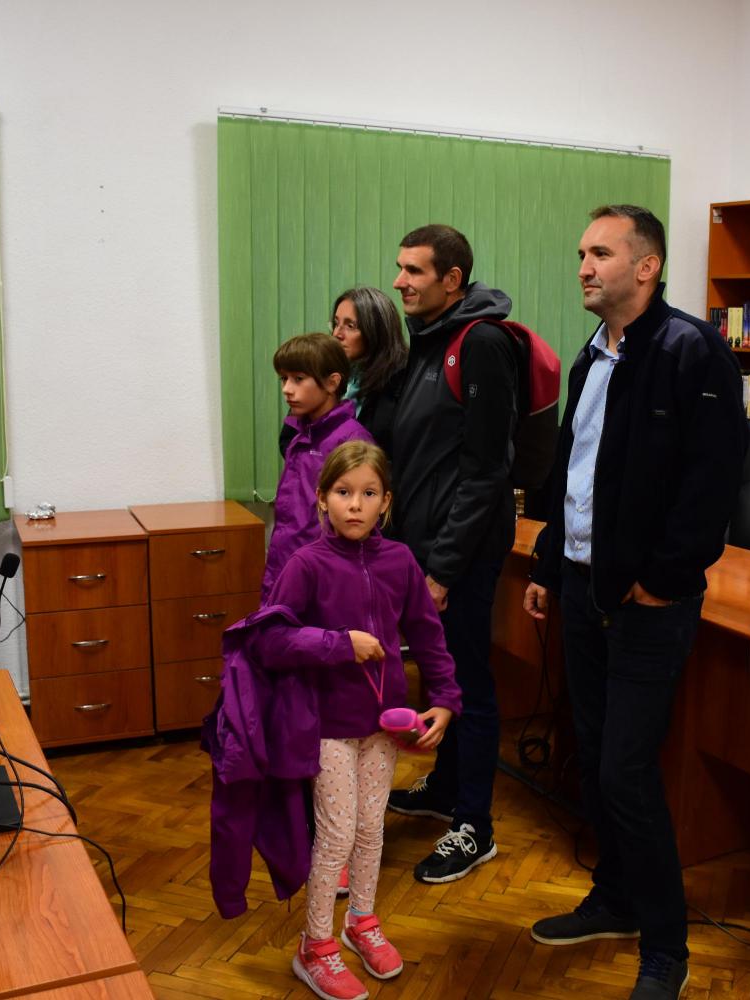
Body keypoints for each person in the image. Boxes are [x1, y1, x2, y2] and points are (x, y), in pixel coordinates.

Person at [523, 205, 748, 1000]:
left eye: (601, 253)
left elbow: (712, 482)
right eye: (581, 253)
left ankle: (666, 947)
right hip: (584, 587)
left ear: (646, 266)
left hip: (648, 602)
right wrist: (549, 563)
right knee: (594, 755)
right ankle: (615, 898)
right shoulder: (592, 356)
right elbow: (572, 472)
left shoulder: (691, 350)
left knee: (625, 769)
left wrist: (665, 576)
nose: (584, 267)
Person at [227, 441, 462, 1000]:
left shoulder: (400, 561)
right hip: (325, 726)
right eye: (343, 492)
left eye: (368, 493)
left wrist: (445, 697)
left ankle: (361, 921)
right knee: (336, 833)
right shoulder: (305, 565)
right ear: (321, 499)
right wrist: (338, 644)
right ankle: (314, 946)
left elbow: (428, 634)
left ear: (386, 502)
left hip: (384, 726)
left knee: (370, 828)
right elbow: (269, 640)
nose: (355, 504)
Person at [384, 224, 519, 883]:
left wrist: (442, 568)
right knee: (444, 680)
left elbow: (486, 471)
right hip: (426, 546)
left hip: (458, 553)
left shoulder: (482, 343)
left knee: (469, 682)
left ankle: (475, 826)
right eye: (400, 268)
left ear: (452, 279)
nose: (399, 281)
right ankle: (445, 788)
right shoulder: (431, 338)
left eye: (414, 270)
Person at [262, 333, 372, 594]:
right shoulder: (300, 435)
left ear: (332, 382)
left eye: (298, 379)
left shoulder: (351, 443)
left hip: (323, 582)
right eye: (284, 379)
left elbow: (358, 528)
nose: (287, 389)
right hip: (285, 569)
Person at [331, 287, 407, 455]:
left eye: (350, 326)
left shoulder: (399, 381)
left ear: (376, 332)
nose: (337, 334)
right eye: (336, 324)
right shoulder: (327, 369)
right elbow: (290, 436)